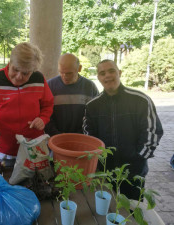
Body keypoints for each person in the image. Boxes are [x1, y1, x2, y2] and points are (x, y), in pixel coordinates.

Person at [83, 59, 163, 200]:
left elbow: (152, 131)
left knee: (133, 211)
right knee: (107, 209)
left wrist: (138, 158)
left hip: (134, 171)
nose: (107, 75)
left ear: (119, 73)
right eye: (102, 73)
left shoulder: (141, 100)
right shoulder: (92, 106)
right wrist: (99, 160)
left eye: (111, 71)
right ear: (99, 78)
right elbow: (89, 136)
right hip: (105, 171)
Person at [0, 42, 54, 166]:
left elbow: (47, 105)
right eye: (16, 70)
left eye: (25, 73)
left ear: (33, 70)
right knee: (8, 182)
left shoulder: (39, 79)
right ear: (10, 62)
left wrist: (43, 119)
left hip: (33, 146)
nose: (19, 77)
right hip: (5, 148)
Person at [45, 53, 99, 136]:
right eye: (61, 72)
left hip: (81, 138)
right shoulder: (50, 86)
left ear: (79, 68)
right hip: (55, 138)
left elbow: (94, 116)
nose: (65, 76)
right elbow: (45, 114)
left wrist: (79, 135)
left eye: (69, 73)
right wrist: (56, 134)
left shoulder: (90, 87)